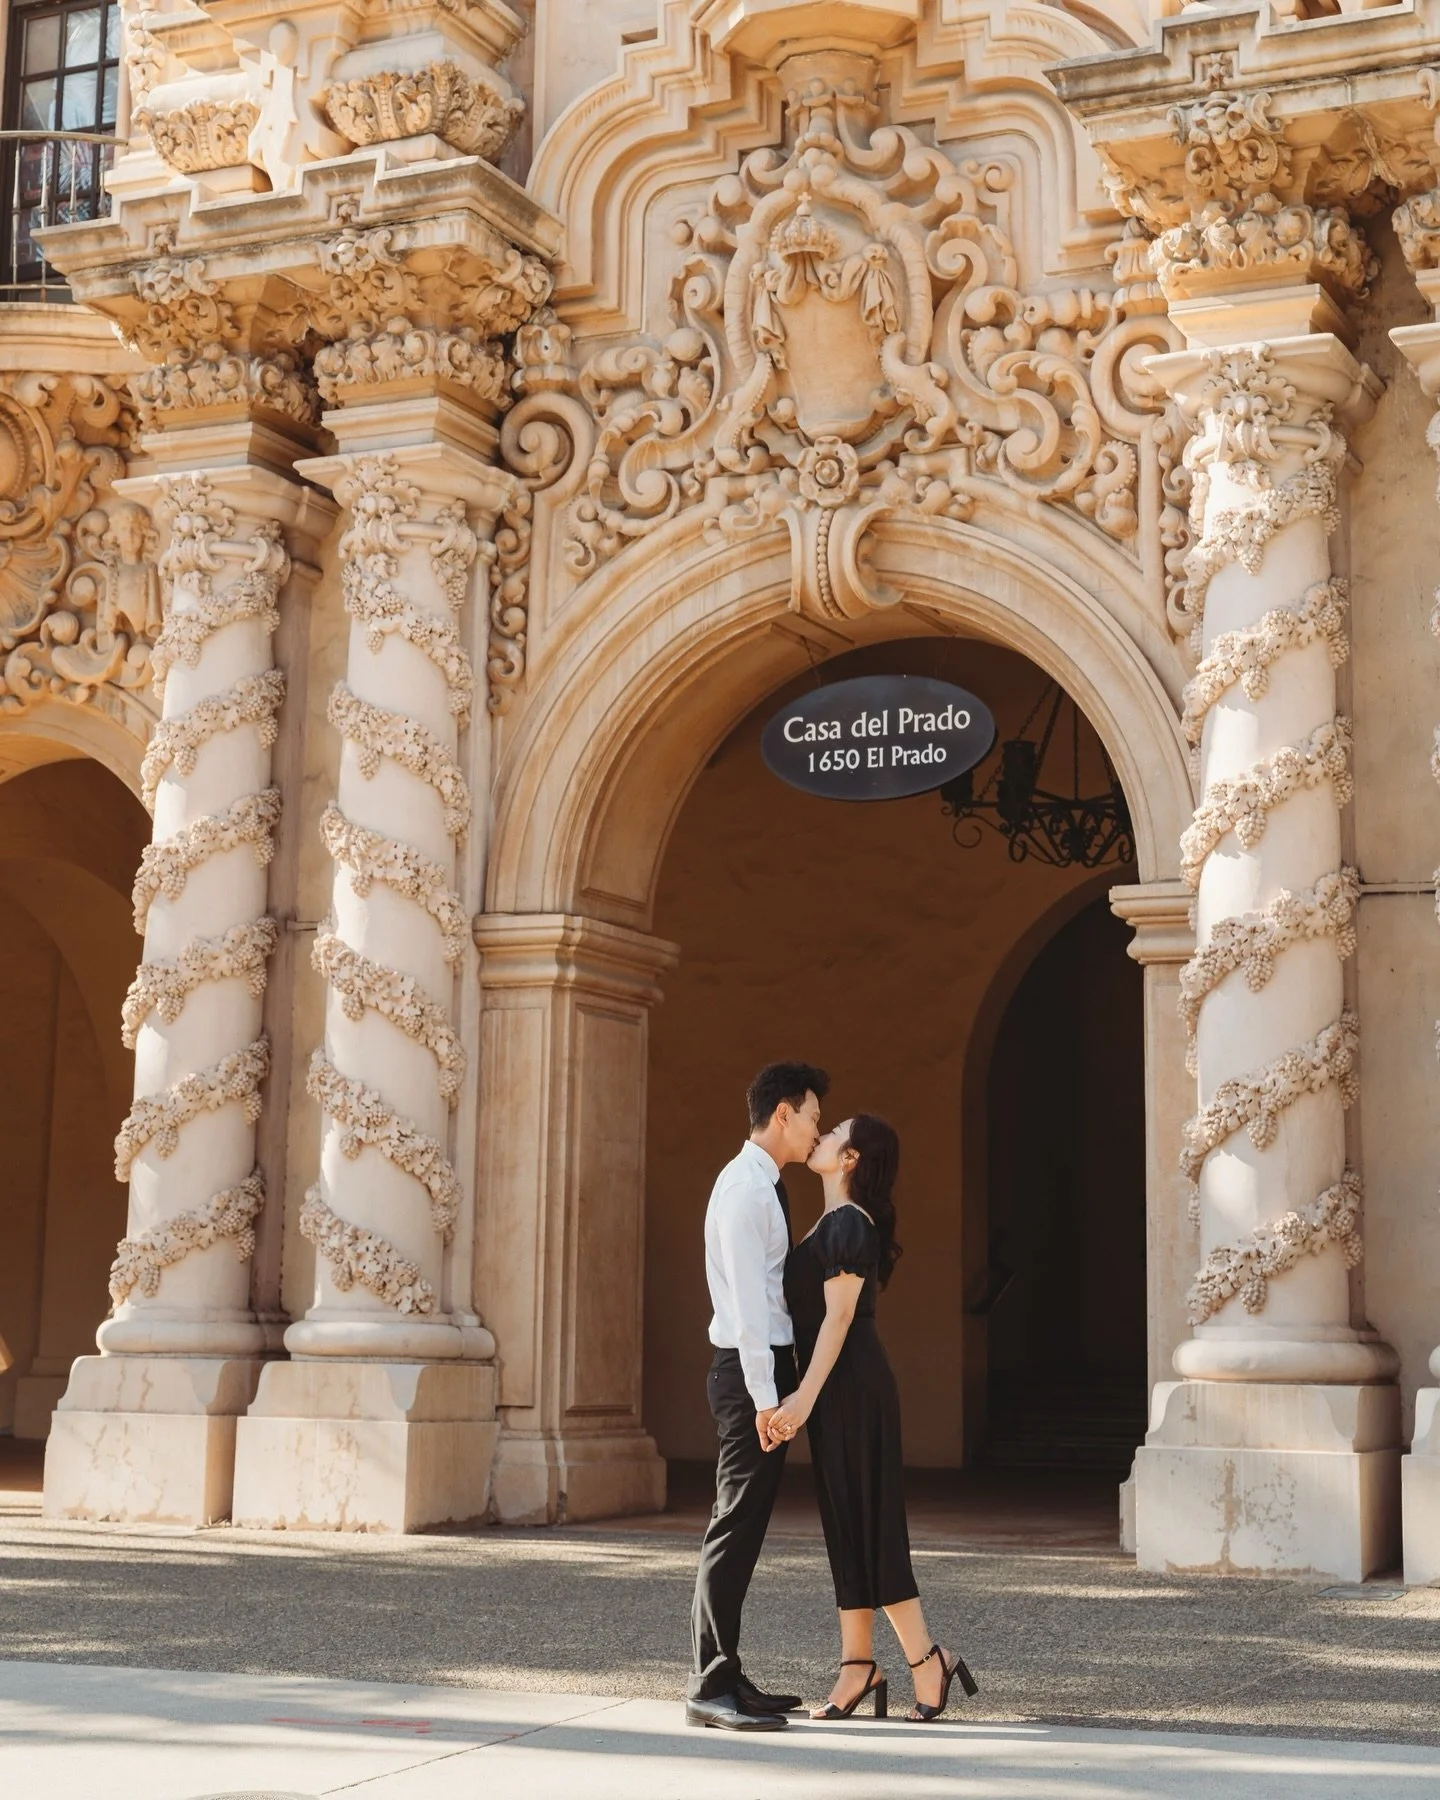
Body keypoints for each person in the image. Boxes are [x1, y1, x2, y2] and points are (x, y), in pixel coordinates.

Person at [768, 1114, 979, 1723]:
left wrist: (802, 1397)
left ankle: (925, 1658)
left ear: (851, 1158)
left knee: (872, 1522)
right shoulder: (830, 1223)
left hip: (853, 1386)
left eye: (833, 1131)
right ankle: (857, 1663)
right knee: (844, 1523)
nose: (822, 1135)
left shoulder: (849, 1226)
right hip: (835, 1388)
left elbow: (837, 1320)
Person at [685, 1061, 829, 1732]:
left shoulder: (760, 1183)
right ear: (782, 1115)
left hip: (762, 1371)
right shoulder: (744, 1190)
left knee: (742, 1529)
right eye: (812, 1118)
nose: (815, 1130)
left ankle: (727, 1675)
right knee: (732, 1526)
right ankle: (709, 1686)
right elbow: (747, 1308)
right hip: (751, 1376)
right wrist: (767, 1398)